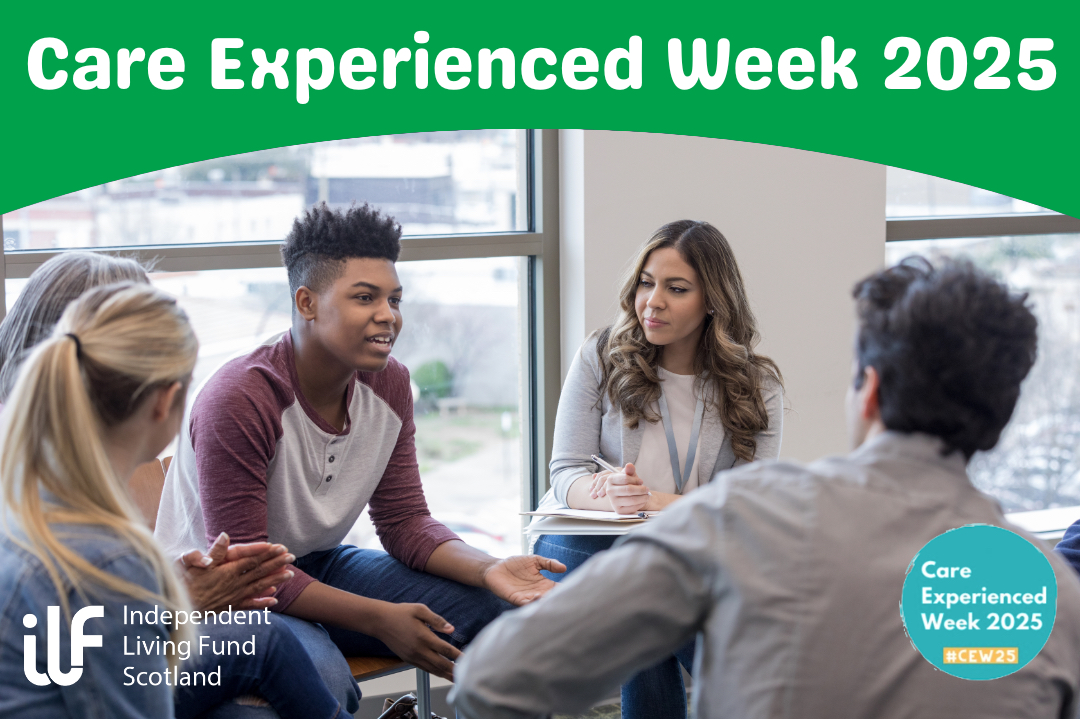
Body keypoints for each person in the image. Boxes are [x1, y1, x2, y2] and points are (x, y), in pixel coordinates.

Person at [451, 258, 1080, 719]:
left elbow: (494, 681)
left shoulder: (746, 516)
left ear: (870, 390)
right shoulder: (1055, 596)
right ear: (999, 419)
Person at [154, 203, 564, 681]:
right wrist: (378, 619)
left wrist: (489, 567)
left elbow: (404, 521)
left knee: (491, 609)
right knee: (321, 677)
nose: (387, 316)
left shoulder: (388, 385)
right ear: (306, 303)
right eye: (365, 298)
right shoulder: (241, 398)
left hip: (320, 563)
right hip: (220, 595)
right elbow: (250, 575)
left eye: (395, 300)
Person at [0, 252, 358, 718]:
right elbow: (80, 630)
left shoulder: (48, 480)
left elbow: (71, 627)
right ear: (163, 397)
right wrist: (166, 603)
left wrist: (166, 599)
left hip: (65, 660)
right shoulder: (102, 550)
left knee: (264, 647)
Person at [532, 220, 782, 719]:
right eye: (647, 282)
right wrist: (601, 494)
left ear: (714, 300)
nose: (654, 301)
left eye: (677, 288)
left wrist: (649, 502)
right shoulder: (602, 356)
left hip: (683, 551)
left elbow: (745, 507)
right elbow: (565, 472)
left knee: (646, 599)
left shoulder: (755, 386)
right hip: (583, 542)